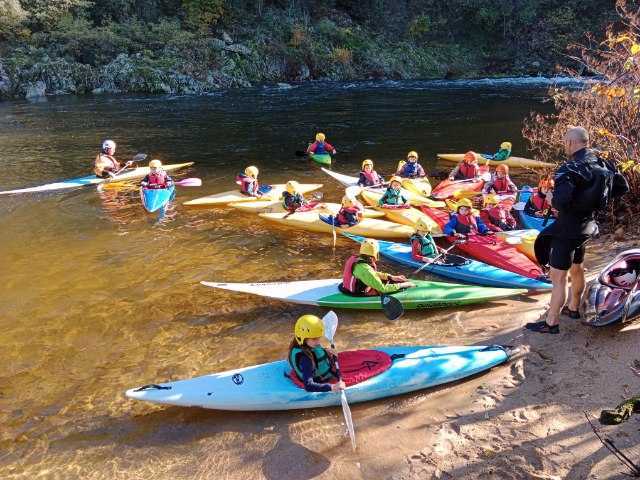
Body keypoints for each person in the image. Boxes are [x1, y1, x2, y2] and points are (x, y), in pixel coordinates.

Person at [526, 126, 629, 334]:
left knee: (558, 277)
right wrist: (591, 201)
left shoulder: (569, 168)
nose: (565, 146)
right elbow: (622, 187)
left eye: (565, 142)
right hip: (587, 226)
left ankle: (551, 322)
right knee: (577, 266)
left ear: (571, 143)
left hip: (568, 228)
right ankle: (573, 308)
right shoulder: (603, 163)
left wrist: (549, 199)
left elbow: (561, 203)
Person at [288, 314, 345, 393]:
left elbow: (315, 351)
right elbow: (308, 386)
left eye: (319, 337)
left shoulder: (303, 344)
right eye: (315, 339)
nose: (318, 342)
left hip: (321, 372)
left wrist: (325, 351)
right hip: (319, 381)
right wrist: (332, 387)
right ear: (303, 338)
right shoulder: (305, 358)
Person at [341, 238, 416, 295]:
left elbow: (372, 273)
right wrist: (402, 285)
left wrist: (390, 277)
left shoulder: (355, 258)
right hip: (358, 291)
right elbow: (383, 289)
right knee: (382, 289)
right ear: (374, 254)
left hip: (349, 285)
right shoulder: (365, 269)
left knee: (387, 280)